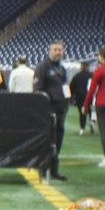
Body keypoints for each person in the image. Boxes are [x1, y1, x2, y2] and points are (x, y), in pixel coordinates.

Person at [33, 40, 70, 182]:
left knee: (58, 140)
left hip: (61, 110)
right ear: (50, 51)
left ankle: (54, 169)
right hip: (49, 110)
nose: (57, 52)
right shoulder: (42, 67)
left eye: (60, 50)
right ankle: (43, 167)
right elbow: (38, 90)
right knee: (48, 140)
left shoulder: (62, 69)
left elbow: (65, 87)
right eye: (55, 49)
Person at [83, 45, 105, 167]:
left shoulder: (99, 70)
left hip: (102, 103)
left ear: (102, 56)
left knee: (104, 131)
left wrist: (85, 105)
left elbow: (92, 90)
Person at [69, 58, 91, 134]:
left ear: (81, 67)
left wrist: (71, 97)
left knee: (82, 112)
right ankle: (92, 122)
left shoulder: (76, 76)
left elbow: (71, 87)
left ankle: (82, 128)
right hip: (90, 95)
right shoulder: (92, 75)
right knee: (91, 110)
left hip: (79, 96)